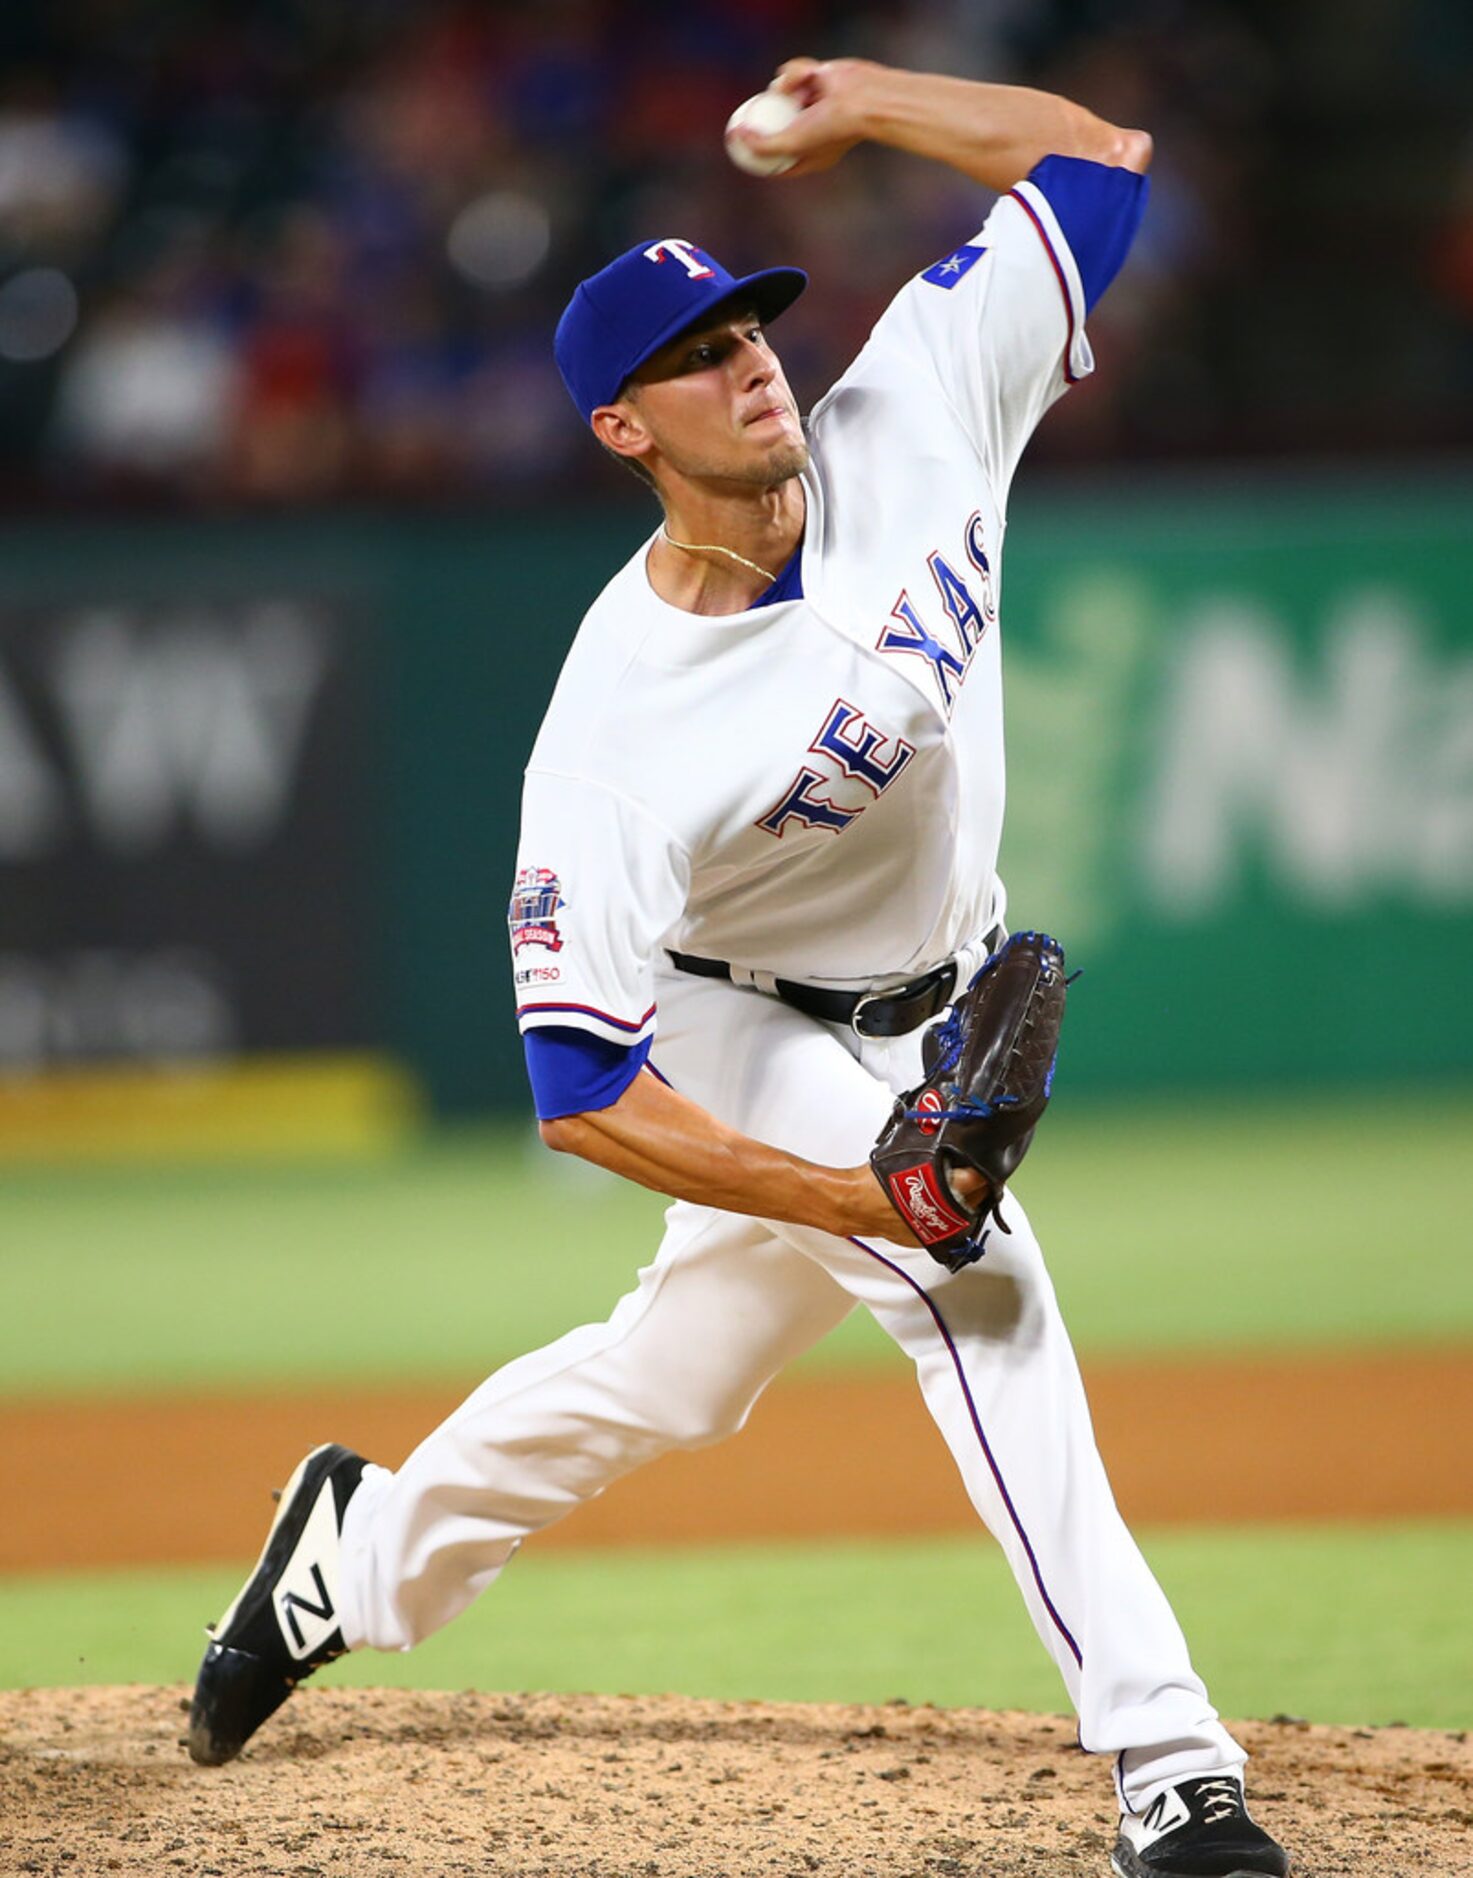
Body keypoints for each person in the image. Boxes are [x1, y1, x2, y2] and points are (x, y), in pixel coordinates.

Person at [187, 57, 1290, 1878]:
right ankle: (1172, 1770)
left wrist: (861, 99)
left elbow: (1098, 164)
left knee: (676, 1374)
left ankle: (357, 1554)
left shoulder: (917, 402)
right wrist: (856, 1187)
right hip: (740, 1018)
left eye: (751, 325)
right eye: (697, 354)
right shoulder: (613, 733)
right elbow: (583, 1093)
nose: (750, 358)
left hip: (928, 997)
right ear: (622, 429)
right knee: (973, 1284)